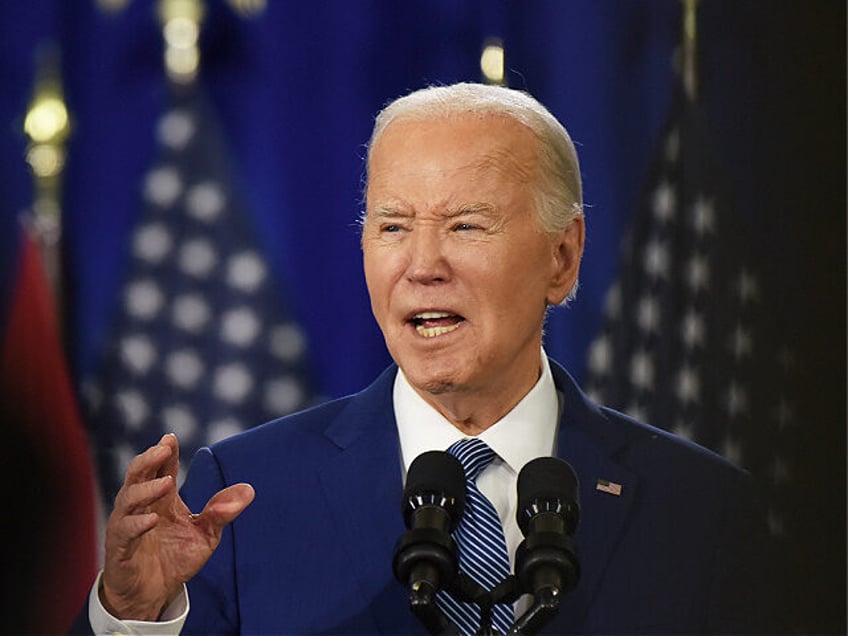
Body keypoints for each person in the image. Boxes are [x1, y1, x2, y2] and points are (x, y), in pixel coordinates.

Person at [78, 82, 769, 634]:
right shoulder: (247, 494)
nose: (422, 265)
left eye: (466, 225)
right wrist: (133, 615)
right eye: (393, 226)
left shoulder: (699, 507)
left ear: (562, 257)